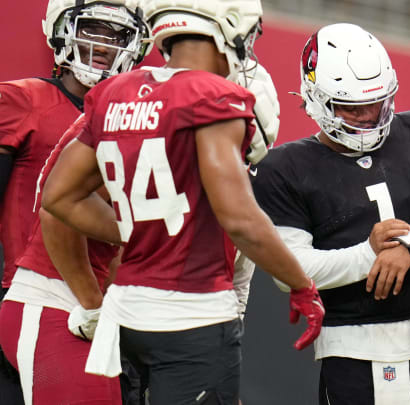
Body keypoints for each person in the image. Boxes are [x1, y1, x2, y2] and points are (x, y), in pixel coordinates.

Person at [40, 0, 325, 403]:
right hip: (192, 317)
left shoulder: (116, 91)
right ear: (231, 25)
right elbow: (239, 218)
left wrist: (137, 227)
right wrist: (300, 284)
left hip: (128, 314)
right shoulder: (214, 94)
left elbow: (59, 196)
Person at [250, 23, 410, 405]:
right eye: (353, 107)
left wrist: (407, 244)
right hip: (351, 350)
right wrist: (368, 255)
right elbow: (290, 270)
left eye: (378, 102)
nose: (370, 116)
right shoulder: (283, 168)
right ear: (318, 100)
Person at [0, 1, 149, 403]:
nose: (102, 45)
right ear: (60, 29)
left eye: (115, 35)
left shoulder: (135, 118)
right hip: (32, 294)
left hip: (103, 309)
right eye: (92, 29)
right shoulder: (22, 100)